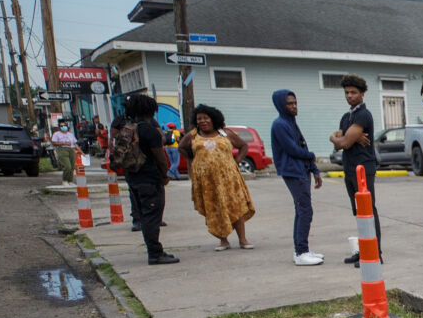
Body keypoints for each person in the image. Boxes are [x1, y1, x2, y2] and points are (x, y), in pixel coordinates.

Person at [181, 104, 256, 251]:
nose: (202, 121)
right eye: (199, 119)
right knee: (215, 208)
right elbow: (181, 148)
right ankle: (223, 241)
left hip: (229, 179)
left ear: (213, 119)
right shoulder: (193, 135)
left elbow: (243, 146)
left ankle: (243, 239)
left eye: (206, 118)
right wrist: (193, 158)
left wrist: (236, 161)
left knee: (237, 206)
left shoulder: (225, 133)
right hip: (207, 182)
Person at [120, 93, 178, 265]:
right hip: (150, 178)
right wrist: (164, 174)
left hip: (133, 177)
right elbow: (159, 156)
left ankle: (153, 250)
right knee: (152, 215)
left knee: (144, 214)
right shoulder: (148, 130)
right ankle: (155, 253)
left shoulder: (127, 128)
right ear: (151, 110)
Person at [269, 89, 324, 265]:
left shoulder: (291, 123)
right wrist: (312, 156)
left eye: (295, 103)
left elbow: (302, 145)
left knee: (302, 210)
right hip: (293, 171)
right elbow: (292, 149)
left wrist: (314, 170)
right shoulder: (280, 124)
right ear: (281, 105)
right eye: (289, 104)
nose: (294, 106)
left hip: (302, 170)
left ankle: (302, 249)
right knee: (305, 210)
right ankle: (301, 252)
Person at [328, 74, 378, 265]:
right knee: (358, 212)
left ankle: (375, 253)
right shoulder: (347, 116)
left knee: (368, 211)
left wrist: (343, 138)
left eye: (353, 92)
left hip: (363, 169)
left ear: (362, 94)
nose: (349, 96)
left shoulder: (363, 115)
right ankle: (362, 250)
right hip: (349, 169)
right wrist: (338, 138)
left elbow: (344, 142)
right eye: (347, 92)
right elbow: (338, 142)